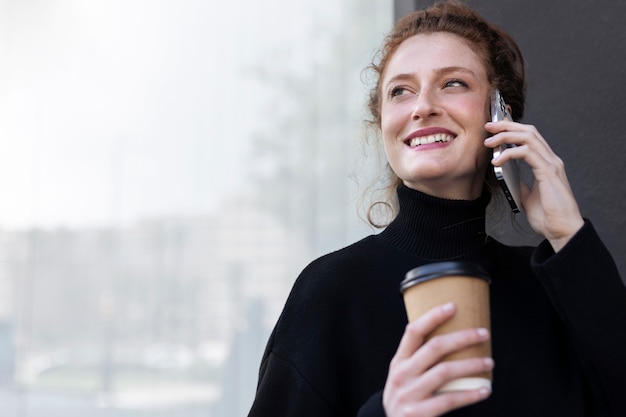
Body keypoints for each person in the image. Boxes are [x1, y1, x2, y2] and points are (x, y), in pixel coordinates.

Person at [248, 1, 626, 416]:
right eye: (400, 91)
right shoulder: (330, 292)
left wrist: (568, 234)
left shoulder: (555, 292)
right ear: (383, 123)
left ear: (499, 116)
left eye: (453, 84)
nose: (422, 106)